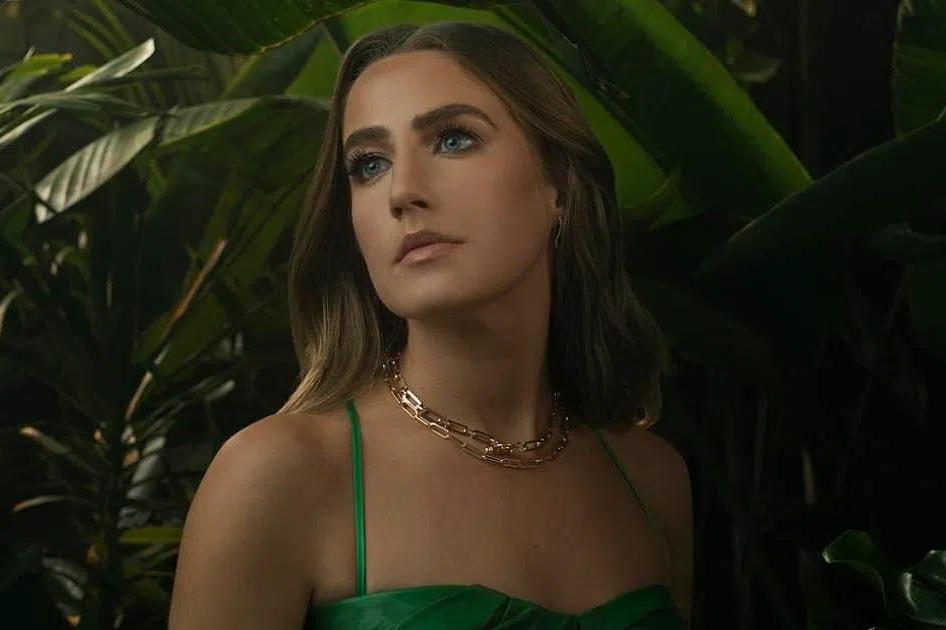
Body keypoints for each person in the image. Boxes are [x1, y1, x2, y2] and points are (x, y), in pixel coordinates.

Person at [168, 19, 694, 630]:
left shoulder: (652, 481)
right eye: (369, 164)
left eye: (453, 139)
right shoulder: (277, 477)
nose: (402, 191)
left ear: (560, 186)